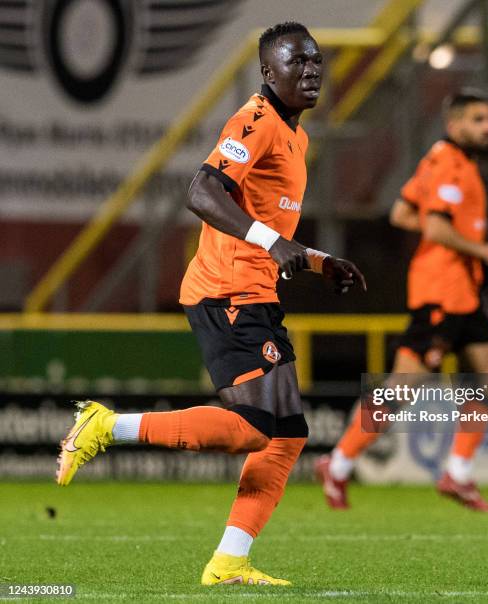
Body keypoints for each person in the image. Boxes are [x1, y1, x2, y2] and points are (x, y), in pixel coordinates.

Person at [56, 22, 366, 587]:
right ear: (268, 73)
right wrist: (278, 246)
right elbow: (200, 191)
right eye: (297, 62)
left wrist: (321, 262)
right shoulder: (255, 121)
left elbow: (275, 229)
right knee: (252, 427)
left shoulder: (297, 136)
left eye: (317, 61)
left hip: (256, 291)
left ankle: (229, 561)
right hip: (226, 291)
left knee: (289, 432)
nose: (312, 70)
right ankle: (107, 426)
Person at [316, 89, 488, 512]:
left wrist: (466, 248)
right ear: (456, 124)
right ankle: (337, 464)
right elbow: (433, 227)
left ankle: (458, 474)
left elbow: (401, 213)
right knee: (401, 387)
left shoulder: (442, 160)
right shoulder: (448, 164)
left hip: (463, 292)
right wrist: (485, 251)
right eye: (479, 120)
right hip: (440, 293)